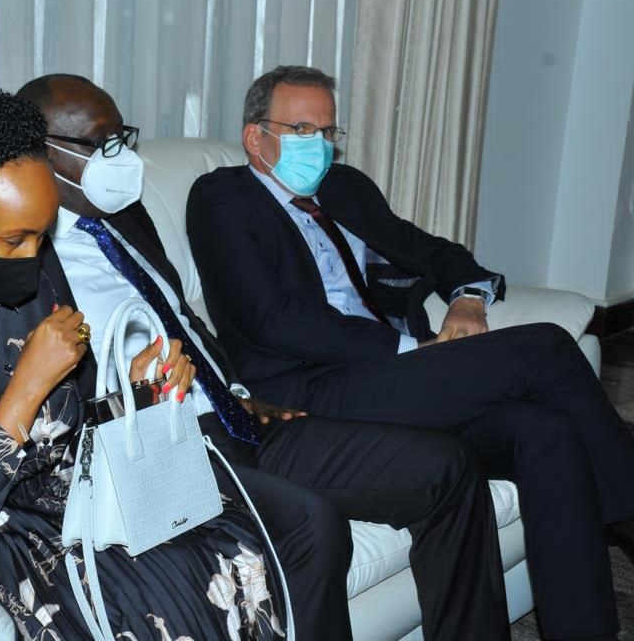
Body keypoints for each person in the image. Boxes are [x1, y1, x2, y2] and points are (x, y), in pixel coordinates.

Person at [19, 73, 512, 641]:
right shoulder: (23, 256)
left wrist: (239, 393)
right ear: (38, 152)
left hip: (236, 417)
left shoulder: (124, 218)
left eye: (121, 138)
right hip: (163, 444)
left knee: (446, 465)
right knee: (313, 522)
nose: (122, 159)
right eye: (99, 144)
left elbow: (181, 318)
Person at [0, 85, 290, 639]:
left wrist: (139, 393)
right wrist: (26, 390)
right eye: (13, 240)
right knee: (144, 597)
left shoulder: (33, 293)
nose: (32, 261)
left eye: (42, 239)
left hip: (59, 505)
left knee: (227, 543)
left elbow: (75, 435)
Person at [186, 64, 634, 641]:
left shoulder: (343, 189)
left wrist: (468, 298)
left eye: (327, 131)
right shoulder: (223, 198)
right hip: (309, 390)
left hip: (389, 381)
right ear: (256, 137)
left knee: (545, 431)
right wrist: (411, 348)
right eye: (300, 130)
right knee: (545, 346)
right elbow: (273, 321)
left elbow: (431, 251)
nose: (317, 145)